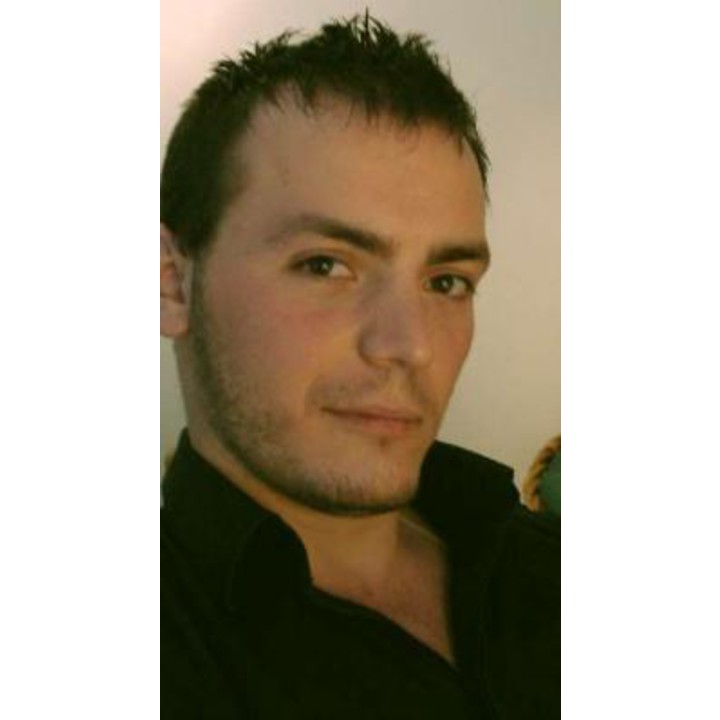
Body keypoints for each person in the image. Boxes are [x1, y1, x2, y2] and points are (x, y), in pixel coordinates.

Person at [161, 14, 559, 719]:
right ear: (173, 284)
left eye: (446, 281)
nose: (410, 346)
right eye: (325, 265)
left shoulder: (542, 555)